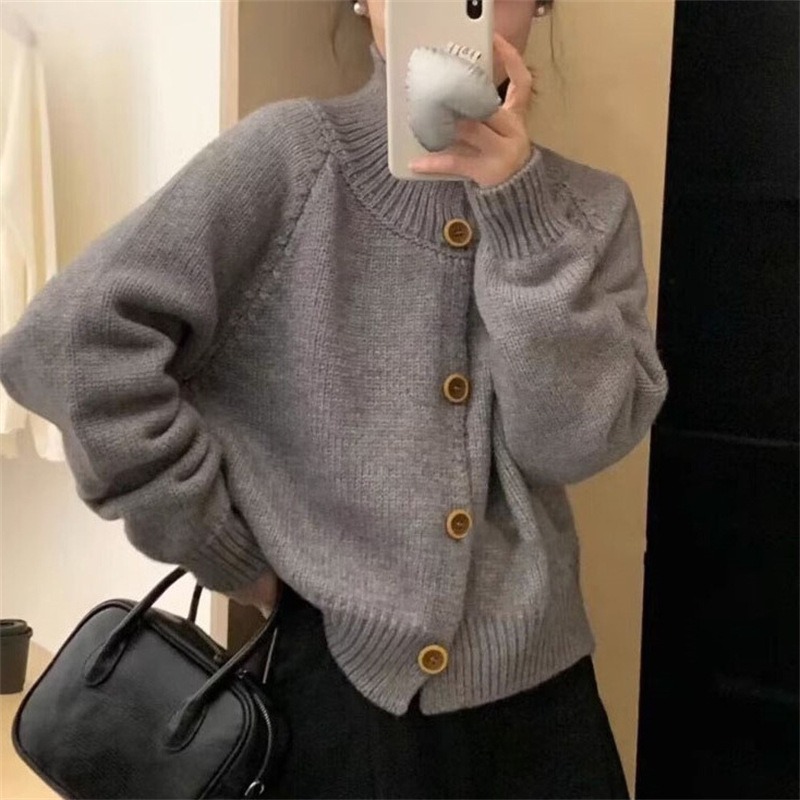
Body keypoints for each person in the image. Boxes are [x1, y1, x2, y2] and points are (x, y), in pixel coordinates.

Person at [0, 0, 668, 796]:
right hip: (332, 704)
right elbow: (73, 343)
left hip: (540, 711)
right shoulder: (291, 157)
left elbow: (569, 444)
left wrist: (519, 214)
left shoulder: (589, 211)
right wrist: (220, 544)